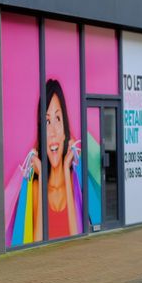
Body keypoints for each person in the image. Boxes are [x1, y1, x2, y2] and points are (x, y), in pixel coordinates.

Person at [30, 79, 81, 240]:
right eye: (47, 121)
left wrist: (67, 170)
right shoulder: (36, 187)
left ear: (65, 131)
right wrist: (42, 175)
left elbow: (77, 237)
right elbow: (37, 242)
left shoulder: (75, 183)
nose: (52, 132)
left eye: (58, 119)